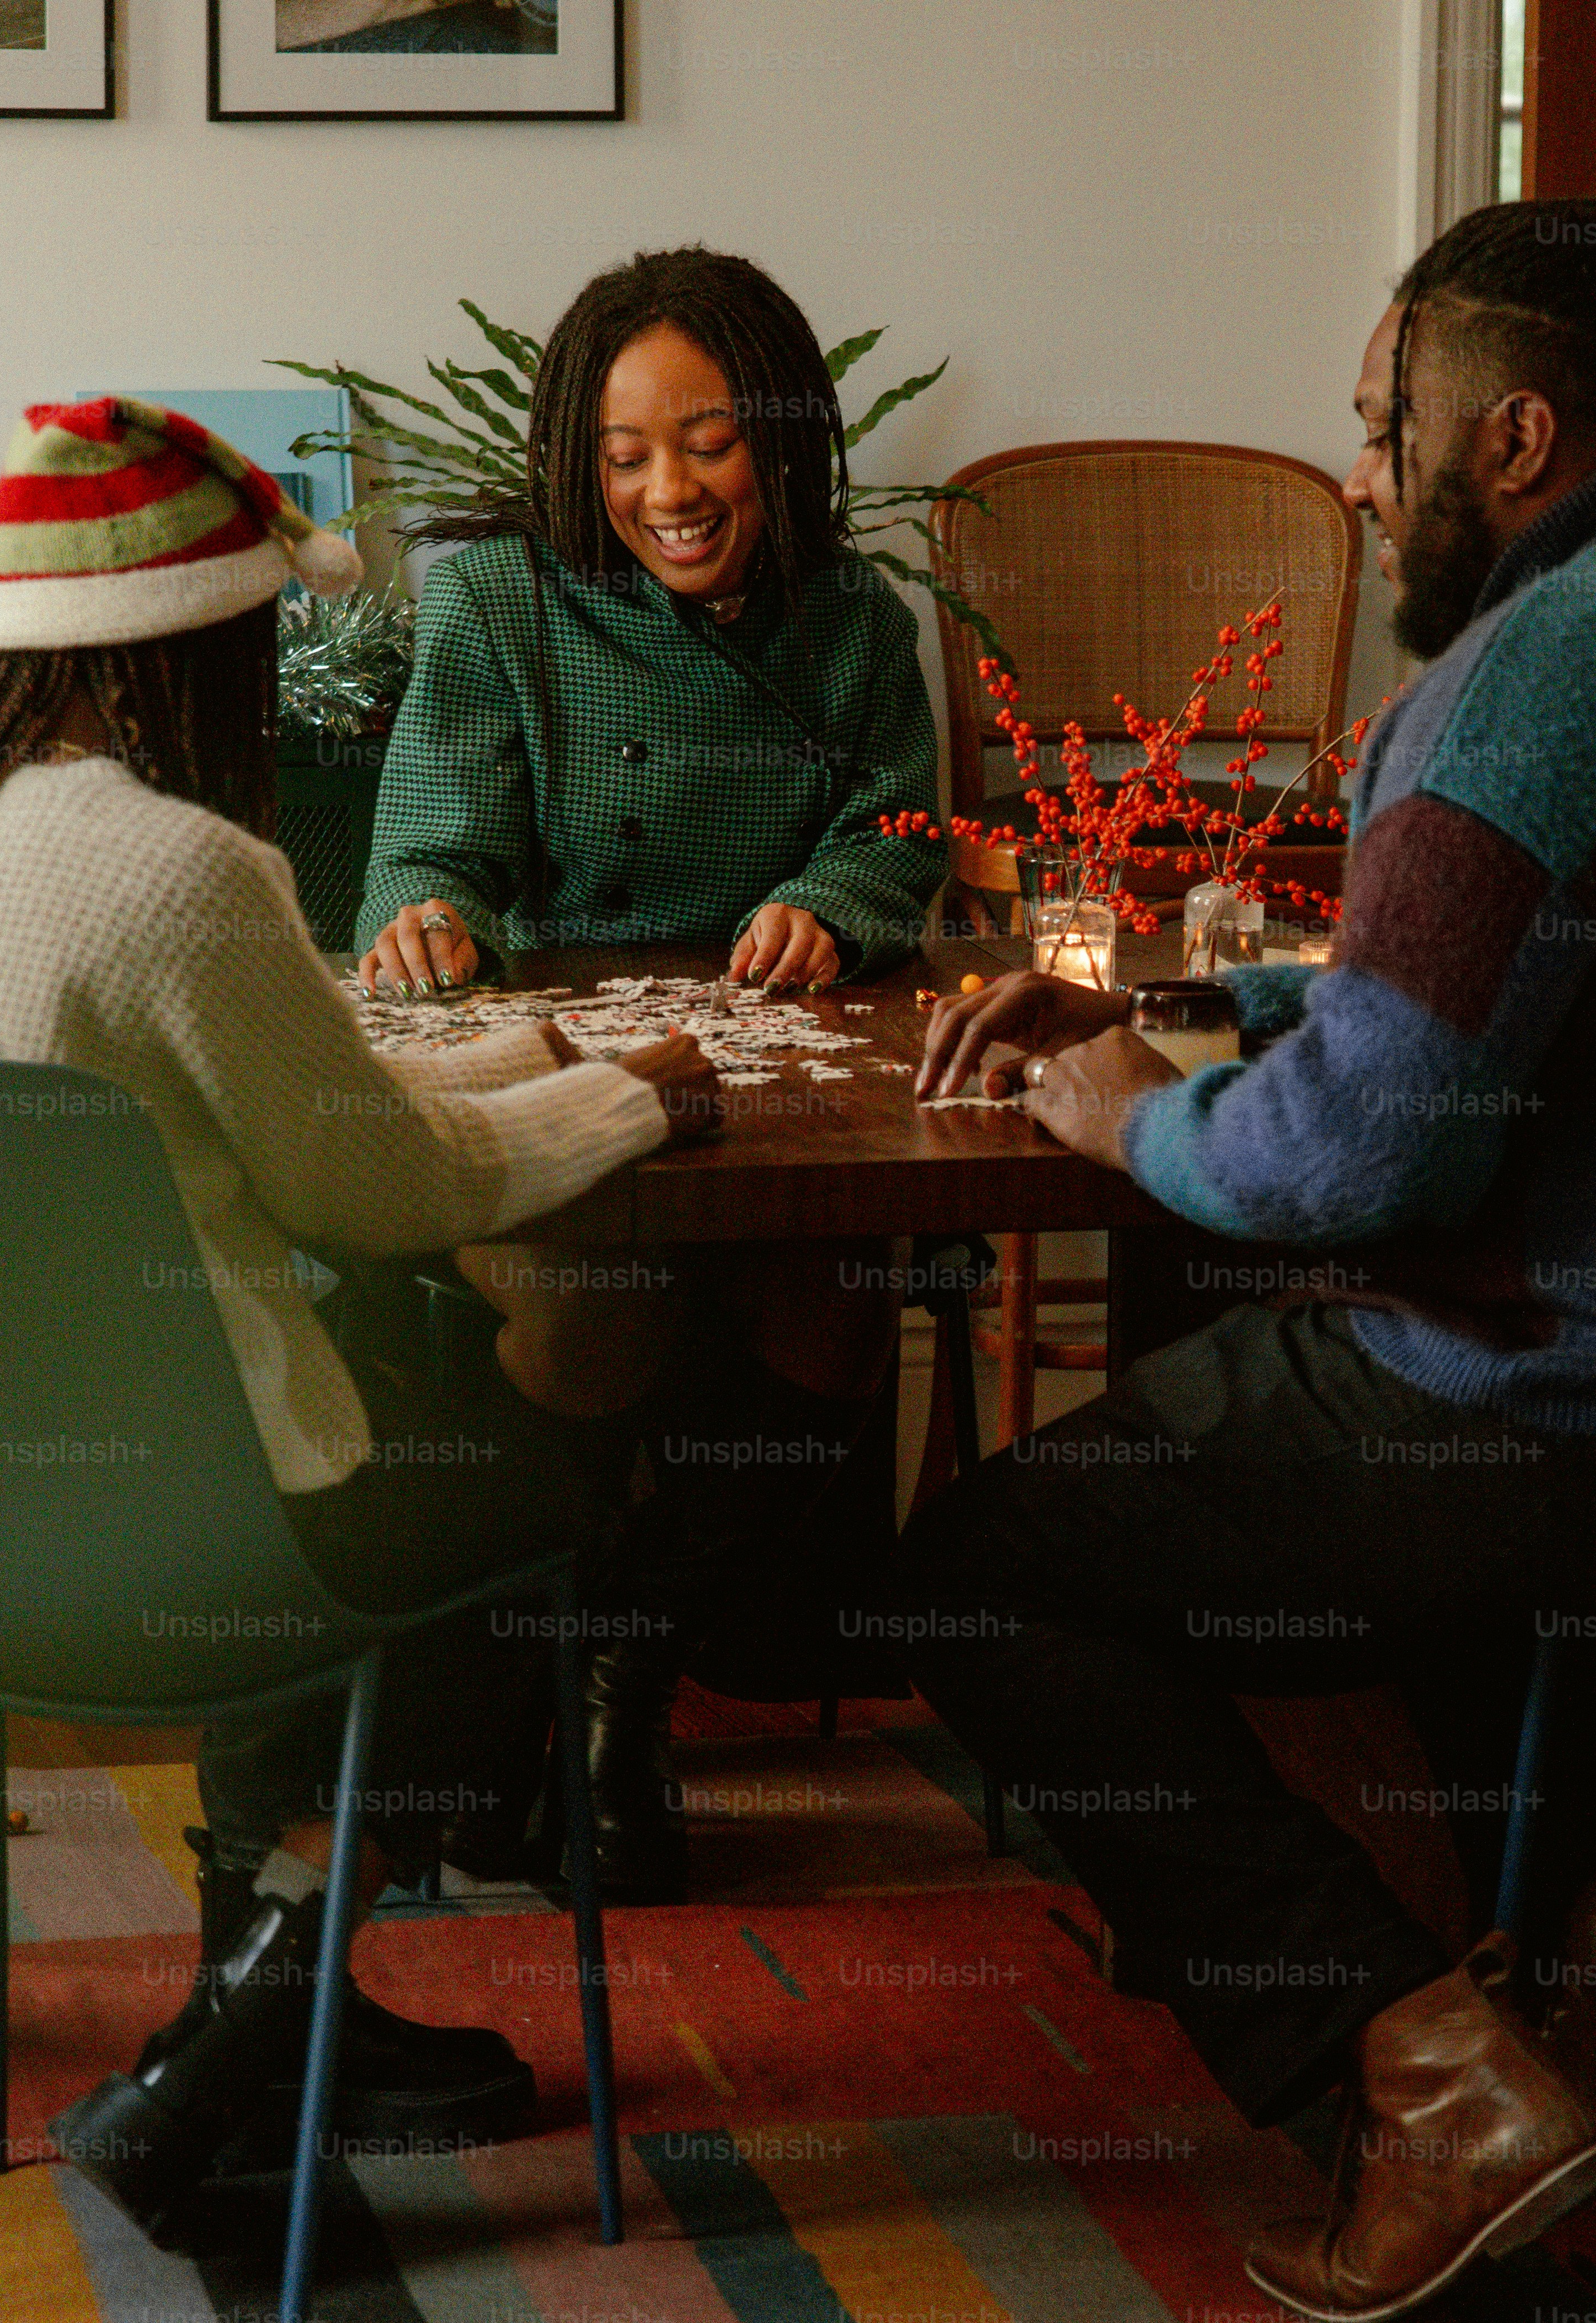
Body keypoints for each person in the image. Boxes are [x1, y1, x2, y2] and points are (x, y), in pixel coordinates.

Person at [894, 201, 1596, 2322]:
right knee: (1376, 1427)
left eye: (1379, 429)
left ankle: (1424, 2077)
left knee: (985, 1564)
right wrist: (1212, 1021)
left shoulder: (1540, 667)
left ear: (1504, 435)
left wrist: (1120, 1103)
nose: (1358, 478)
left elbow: (1361, 1155)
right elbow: (1494, 997)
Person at [0, 398, 720, 2246]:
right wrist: (629, 1096)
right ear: (198, 643)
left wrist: (474, 1069)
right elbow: (375, 1196)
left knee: (390, 1417)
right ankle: (254, 2022)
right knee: (530, 1502)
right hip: (177, 1529)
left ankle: (277, 1999)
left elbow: (204, 1092)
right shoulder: (181, 869)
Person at [352, 248, 946, 1901]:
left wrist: (833, 901)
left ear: (782, 438)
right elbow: (430, 842)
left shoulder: (853, 623)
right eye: (623, 456)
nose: (665, 492)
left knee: (837, 1290)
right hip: (555, 1082)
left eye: (705, 445)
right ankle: (558, 1696)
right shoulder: (494, 602)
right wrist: (431, 914)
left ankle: (614, 1682)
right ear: (574, 459)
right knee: (592, 1306)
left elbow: (894, 827)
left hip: (775, 1083)